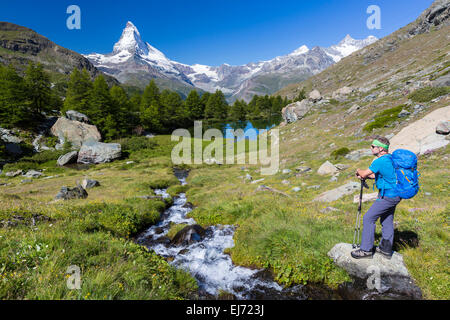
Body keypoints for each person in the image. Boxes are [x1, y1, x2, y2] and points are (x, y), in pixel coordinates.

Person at [351, 136, 401, 259]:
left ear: (380, 148)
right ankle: (385, 249)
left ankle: (366, 250)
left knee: (368, 218)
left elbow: (363, 173)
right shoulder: (390, 159)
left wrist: (358, 170)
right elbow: (377, 175)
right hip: (396, 194)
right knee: (386, 220)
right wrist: (367, 176)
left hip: (387, 195)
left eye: (373, 146)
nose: (371, 148)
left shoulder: (380, 161)